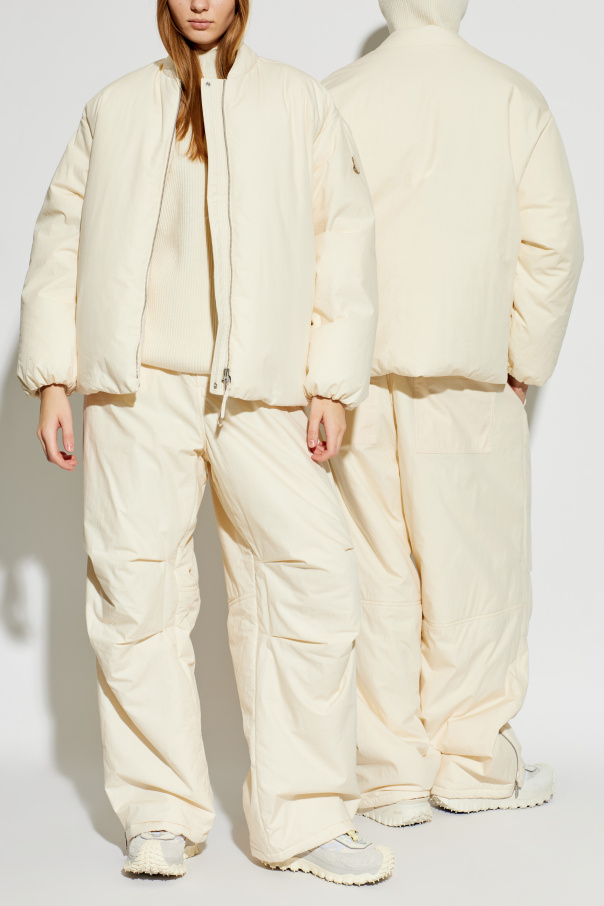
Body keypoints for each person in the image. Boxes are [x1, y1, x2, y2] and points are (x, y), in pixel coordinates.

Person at [17, 0, 395, 885]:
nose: (199, 2)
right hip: (136, 388)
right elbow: (60, 238)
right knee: (135, 596)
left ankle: (303, 818)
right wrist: (53, 378)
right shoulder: (115, 106)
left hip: (259, 391)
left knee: (312, 580)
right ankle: (159, 812)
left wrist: (332, 382)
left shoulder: (298, 102)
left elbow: (343, 239)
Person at [323, 0, 583, 826]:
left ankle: (388, 775)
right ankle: (470, 763)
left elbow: (306, 236)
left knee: (374, 573)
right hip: (469, 375)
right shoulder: (511, 95)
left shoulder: (337, 93)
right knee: (475, 572)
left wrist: (319, 367)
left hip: (356, 376)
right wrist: (523, 358)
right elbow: (553, 246)